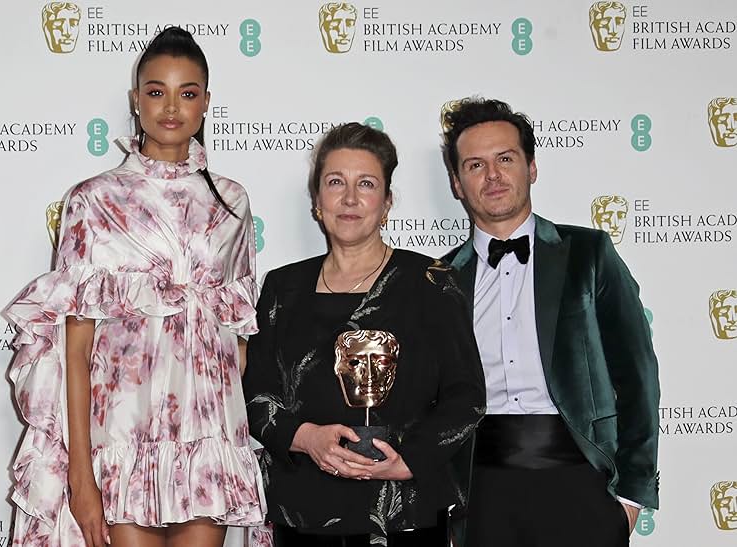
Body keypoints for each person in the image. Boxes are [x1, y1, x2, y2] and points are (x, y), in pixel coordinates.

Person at [4, 27, 264, 547]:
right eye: (156, 91)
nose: (172, 107)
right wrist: (81, 477)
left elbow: (237, 343)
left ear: (207, 103)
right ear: (135, 99)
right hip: (120, 437)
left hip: (207, 439)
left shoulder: (231, 204)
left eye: (188, 93)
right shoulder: (93, 201)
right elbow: (74, 351)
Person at [243, 122, 485, 546]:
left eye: (366, 184)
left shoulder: (432, 282)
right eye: (335, 182)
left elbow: (466, 396)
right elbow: (255, 394)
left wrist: (409, 460)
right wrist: (306, 438)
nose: (350, 199)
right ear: (317, 200)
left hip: (405, 513)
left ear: (387, 201)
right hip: (303, 513)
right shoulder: (283, 288)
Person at [441, 97, 660, 547]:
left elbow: (637, 376)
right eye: (475, 165)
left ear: (532, 167)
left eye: (506, 158)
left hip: (581, 482)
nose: (493, 175)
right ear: (458, 184)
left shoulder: (589, 255)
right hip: (479, 492)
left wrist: (631, 497)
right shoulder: (439, 280)